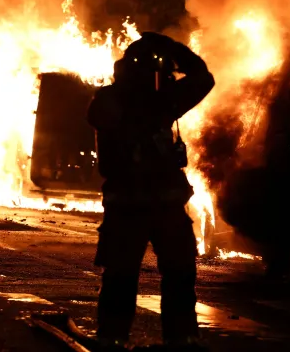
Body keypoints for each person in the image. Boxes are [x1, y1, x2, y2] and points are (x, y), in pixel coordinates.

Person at [87, 32, 215, 350]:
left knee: (172, 272)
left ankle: (168, 338)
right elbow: (200, 75)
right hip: (140, 205)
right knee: (133, 275)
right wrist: (172, 49)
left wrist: (166, 52)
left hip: (147, 206)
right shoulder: (127, 101)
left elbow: (203, 79)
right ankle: (119, 337)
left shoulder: (153, 100)